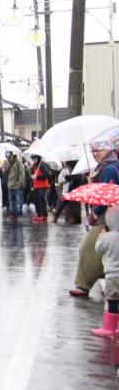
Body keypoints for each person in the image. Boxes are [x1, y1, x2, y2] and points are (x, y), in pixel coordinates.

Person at [70, 143, 119, 297]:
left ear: (108, 149)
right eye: (93, 150)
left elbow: (107, 195)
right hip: (110, 214)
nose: (95, 153)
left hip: (107, 216)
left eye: (98, 150)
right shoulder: (106, 166)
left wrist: (95, 214)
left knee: (87, 249)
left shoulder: (109, 168)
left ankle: (83, 285)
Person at [92, 206, 119, 338]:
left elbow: (98, 248)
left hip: (112, 276)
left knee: (112, 300)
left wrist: (101, 236)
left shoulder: (107, 237)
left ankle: (109, 328)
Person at [3, 151, 26, 223]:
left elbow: (22, 172)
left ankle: (19, 215)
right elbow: (4, 172)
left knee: (18, 201)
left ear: (12, 156)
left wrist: (21, 182)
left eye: (9, 157)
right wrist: (5, 168)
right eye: (7, 158)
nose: (9, 159)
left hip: (17, 185)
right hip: (10, 185)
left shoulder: (18, 162)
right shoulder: (6, 163)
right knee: (11, 201)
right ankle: (12, 214)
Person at [30, 155, 52, 223]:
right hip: (36, 185)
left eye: (34, 158)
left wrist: (38, 177)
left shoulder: (42, 165)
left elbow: (47, 175)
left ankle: (43, 215)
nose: (33, 160)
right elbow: (32, 175)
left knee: (41, 199)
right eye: (32, 158)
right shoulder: (34, 165)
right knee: (36, 200)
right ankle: (39, 214)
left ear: (38, 158)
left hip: (42, 186)